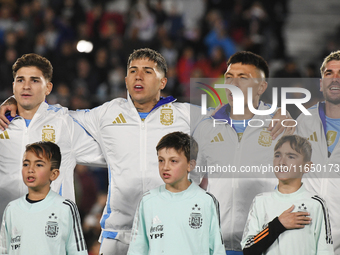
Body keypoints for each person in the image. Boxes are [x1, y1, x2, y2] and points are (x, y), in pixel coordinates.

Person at [0, 48, 289, 255]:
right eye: (132, 71)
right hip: (116, 232)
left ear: (162, 82)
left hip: (165, 230)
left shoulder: (187, 115)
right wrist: (15, 100)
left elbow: (235, 114)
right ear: (125, 80)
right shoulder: (106, 113)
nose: (138, 76)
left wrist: (274, 112)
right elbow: (52, 116)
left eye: (147, 71)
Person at [192, 51, 287, 254]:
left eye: (243, 78)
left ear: (262, 87)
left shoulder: (280, 126)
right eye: (229, 77)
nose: (233, 83)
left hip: (266, 245)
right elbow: (189, 180)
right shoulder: (207, 126)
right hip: (216, 246)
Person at [0, 53, 105, 221]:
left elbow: (114, 155)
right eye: (20, 80)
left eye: (34, 80)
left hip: (52, 231)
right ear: (13, 86)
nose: (26, 86)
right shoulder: (2, 123)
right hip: (5, 232)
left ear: (48, 88)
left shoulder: (65, 123)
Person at [127, 132, 225, 255]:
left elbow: (217, 249)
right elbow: (137, 250)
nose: (165, 167)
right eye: (161, 160)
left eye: (173, 161)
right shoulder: (148, 201)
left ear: (190, 165)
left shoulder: (206, 201)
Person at [241, 135, 334, 255]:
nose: (282, 162)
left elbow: (325, 251)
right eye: (278, 155)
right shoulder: (260, 201)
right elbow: (248, 250)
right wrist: (278, 225)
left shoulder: (316, 203)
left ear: (307, 166)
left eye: (291, 156)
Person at [0, 141, 88, 254]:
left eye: (39, 165)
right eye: (26, 164)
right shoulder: (12, 208)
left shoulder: (65, 208)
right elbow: (3, 250)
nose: (30, 169)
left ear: (54, 174)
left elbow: (78, 251)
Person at [296, 50, 340, 254]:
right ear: (321, 83)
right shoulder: (304, 122)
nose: (335, 79)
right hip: (305, 235)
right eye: (329, 73)